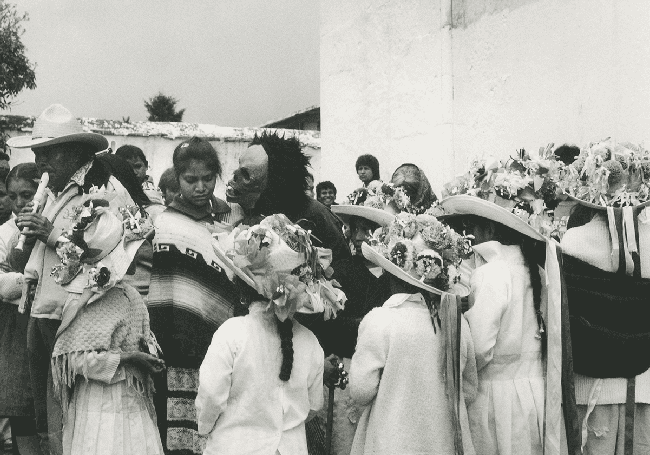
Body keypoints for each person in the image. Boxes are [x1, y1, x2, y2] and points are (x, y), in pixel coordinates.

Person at [7, 104, 135, 455]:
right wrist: (30, 238)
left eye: (49, 153)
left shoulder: (102, 190)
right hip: (40, 314)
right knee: (46, 419)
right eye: (37, 154)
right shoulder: (48, 194)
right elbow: (24, 261)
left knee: (69, 417)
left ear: (77, 152)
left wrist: (49, 234)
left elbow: (107, 261)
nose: (41, 163)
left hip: (74, 322)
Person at [197, 214, 347, 454]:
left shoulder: (232, 333)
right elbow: (313, 407)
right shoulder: (310, 341)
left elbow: (212, 397)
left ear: (243, 287)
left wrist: (205, 428)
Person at [44, 180, 165, 455]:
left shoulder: (130, 295)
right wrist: (127, 358)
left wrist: (148, 354)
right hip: (100, 402)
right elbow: (76, 360)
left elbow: (142, 336)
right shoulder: (85, 302)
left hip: (132, 399)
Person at [348, 211, 476, 455]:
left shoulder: (380, 320)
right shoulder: (455, 321)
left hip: (391, 440)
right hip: (444, 441)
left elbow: (361, 390)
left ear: (393, 276)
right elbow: (468, 389)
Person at [147, 137, 240, 454]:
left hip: (215, 344)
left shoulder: (225, 224)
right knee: (175, 438)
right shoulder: (165, 225)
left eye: (208, 178)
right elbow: (164, 288)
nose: (200, 187)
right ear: (178, 177)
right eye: (191, 180)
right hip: (171, 344)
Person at [440, 195, 549, 455]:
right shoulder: (534, 269)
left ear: (489, 229)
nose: (471, 235)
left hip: (496, 400)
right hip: (534, 392)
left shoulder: (492, 273)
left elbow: (478, 347)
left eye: (473, 228)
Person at [0, 164, 42, 455]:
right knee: (20, 402)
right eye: (11, 196)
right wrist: (28, 280)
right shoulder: (5, 232)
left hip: (45, 322)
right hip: (15, 326)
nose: (18, 203)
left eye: (26, 194)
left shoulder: (49, 225)